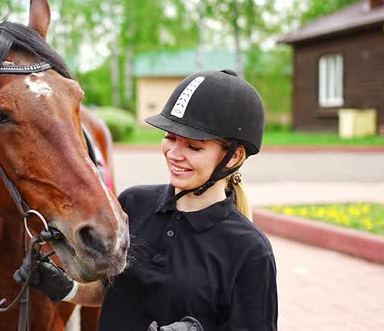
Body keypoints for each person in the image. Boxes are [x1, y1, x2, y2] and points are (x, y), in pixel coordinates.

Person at [14, 69, 278, 331]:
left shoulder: (250, 250)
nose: (174, 153)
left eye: (193, 147)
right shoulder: (134, 203)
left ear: (233, 156)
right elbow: (114, 295)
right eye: (170, 138)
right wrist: (65, 287)